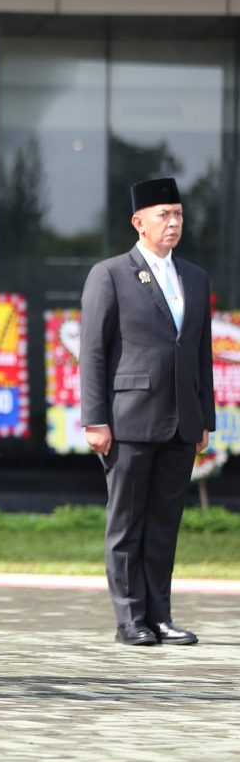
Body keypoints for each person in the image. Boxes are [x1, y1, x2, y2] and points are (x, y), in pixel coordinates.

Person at [80, 177, 214, 647]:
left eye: (178, 213)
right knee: (127, 524)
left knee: (163, 524)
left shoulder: (194, 277)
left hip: (181, 421)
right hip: (128, 419)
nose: (173, 222)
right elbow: (93, 352)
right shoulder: (111, 273)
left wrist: (205, 419)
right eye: (164, 215)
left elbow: (200, 352)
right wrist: (94, 419)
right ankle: (130, 619)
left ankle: (161, 616)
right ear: (139, 222)